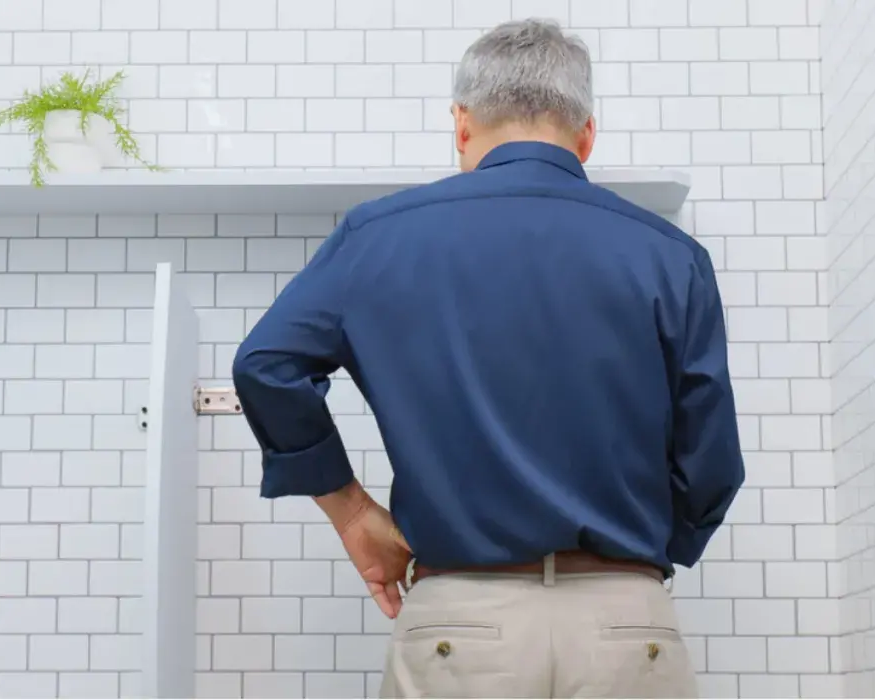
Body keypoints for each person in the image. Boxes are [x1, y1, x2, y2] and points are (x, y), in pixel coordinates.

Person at [231, 18, 745, 699]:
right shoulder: (670, 256)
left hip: (460, 627)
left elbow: (265, 365)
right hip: (628, 627)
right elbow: (712, 465)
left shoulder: (378, 237)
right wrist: (629, 565)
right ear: (586, 133)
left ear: (462, 124)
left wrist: (353, 514)